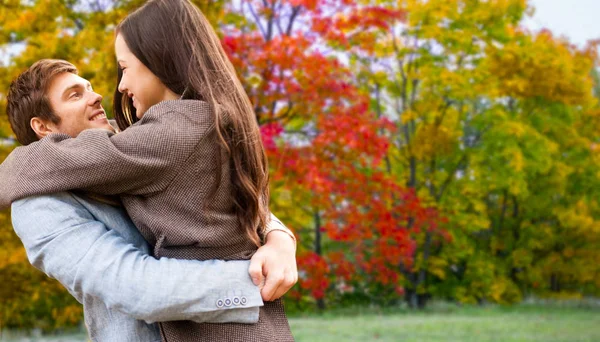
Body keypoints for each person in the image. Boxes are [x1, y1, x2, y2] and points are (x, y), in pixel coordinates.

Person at [0, 0, 296, 341]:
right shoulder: (37, 203)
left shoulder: (148, 139)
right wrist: (255, 280)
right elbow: (137, 288)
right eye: (75, 94)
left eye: (93, 84)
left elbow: (235, 194)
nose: (100, 96)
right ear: (43, 127)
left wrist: (278, 239)